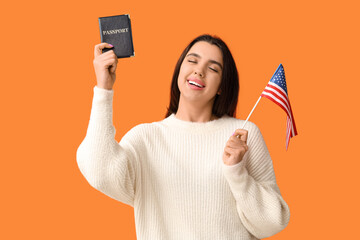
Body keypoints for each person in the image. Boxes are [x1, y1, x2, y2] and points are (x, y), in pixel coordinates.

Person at [76, 34, 290, 240]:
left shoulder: (244, 135)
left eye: (213, 68)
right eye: (192, 61)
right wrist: (104, 90)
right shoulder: (146, 138)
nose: (199, 71)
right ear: (180, 70)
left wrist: (237, 172)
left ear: (222, 87)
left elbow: (272, 222)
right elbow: (99, 172)